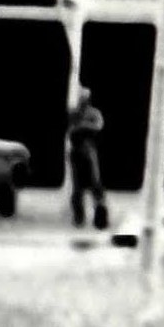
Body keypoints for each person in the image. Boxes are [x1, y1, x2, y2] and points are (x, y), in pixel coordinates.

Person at [65, 92, 111, 230]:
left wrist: (82, 126)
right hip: (76, 153)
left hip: (89, 152)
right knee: (77, 188)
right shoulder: (74, 114)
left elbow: (98, 126)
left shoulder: (93, 113)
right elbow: (70, 129)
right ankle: (79, 217)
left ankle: (100, 219)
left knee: (95, 185)